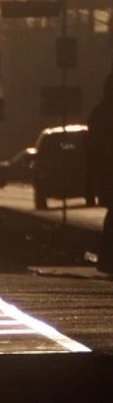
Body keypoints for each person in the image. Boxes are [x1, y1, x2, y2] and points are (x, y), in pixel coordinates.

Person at [87, 70, 113, 273]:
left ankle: (106, 257)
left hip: (105, 175)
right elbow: (93, 151)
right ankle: (106, 257)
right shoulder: (100, 115)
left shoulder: (97, 114)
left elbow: (91, 153)